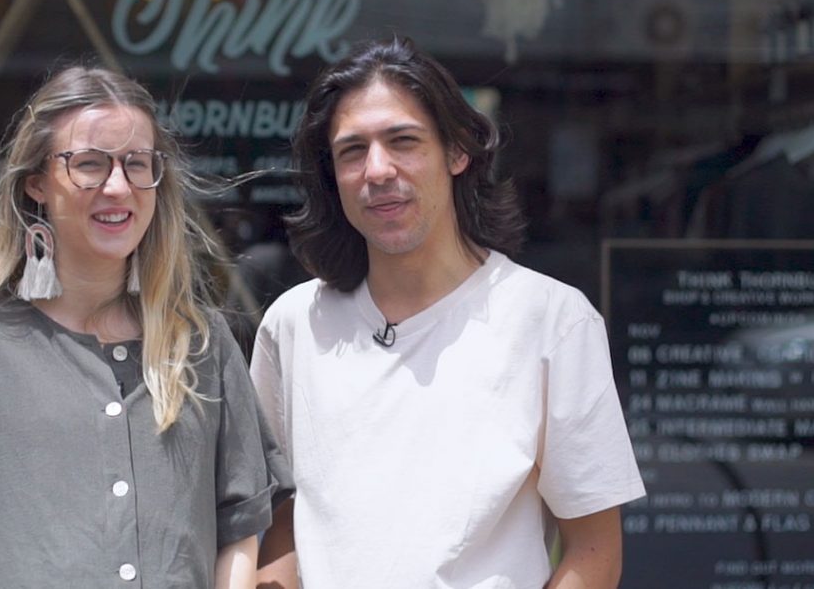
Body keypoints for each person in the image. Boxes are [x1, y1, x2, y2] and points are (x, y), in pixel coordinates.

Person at [0, 66, 288, 587]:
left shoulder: (203, 345)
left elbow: (239, 537)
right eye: (89, 164)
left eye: (137, 164)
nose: (118, 186)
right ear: (37, 182)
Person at [250, 37, 646, 588]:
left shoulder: (551, 319)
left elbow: (594, 552)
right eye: (352, 150)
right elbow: (281, 520)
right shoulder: (293, 324)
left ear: (458, 151)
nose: (378, 170)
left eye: (403, 141)